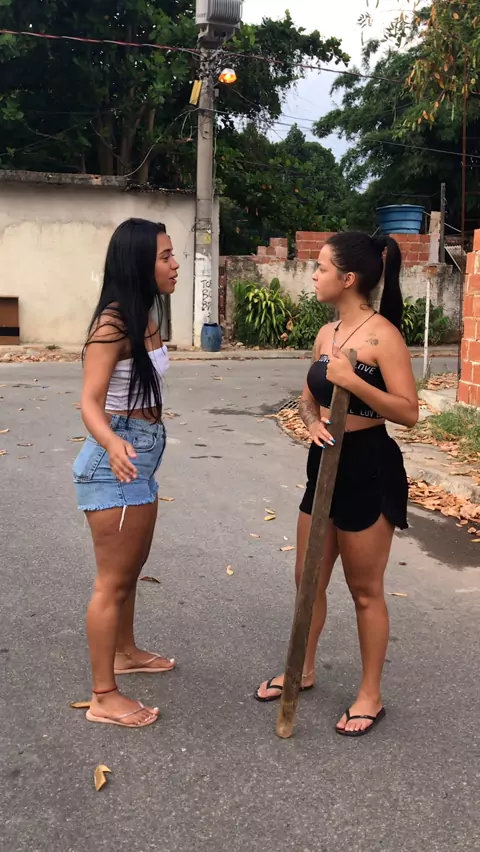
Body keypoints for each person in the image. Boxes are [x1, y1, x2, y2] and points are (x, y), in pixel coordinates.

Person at [255, 232, 419, 737]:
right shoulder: (327, 334)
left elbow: (408, 412)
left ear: (348, 279)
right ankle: (301, 669)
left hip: (368, 465)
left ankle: (370, 694)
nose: (314, 275)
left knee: (365, 590)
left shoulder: (384, 337)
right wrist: (310, 422)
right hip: (323, 461)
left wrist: (355, 383)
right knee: (308, 579)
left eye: (321, 268)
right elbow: (308, 396)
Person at [72, 218, 179, 729]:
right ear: (138, 263)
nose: (175, 265)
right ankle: (103, 695)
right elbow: (90, 402)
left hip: (141, 455)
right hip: (116, 459)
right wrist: (114, 443)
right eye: (165, 256)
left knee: (130, 569)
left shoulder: (145, 316)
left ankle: (126, 652)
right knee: (112, 582)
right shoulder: (113, 325)